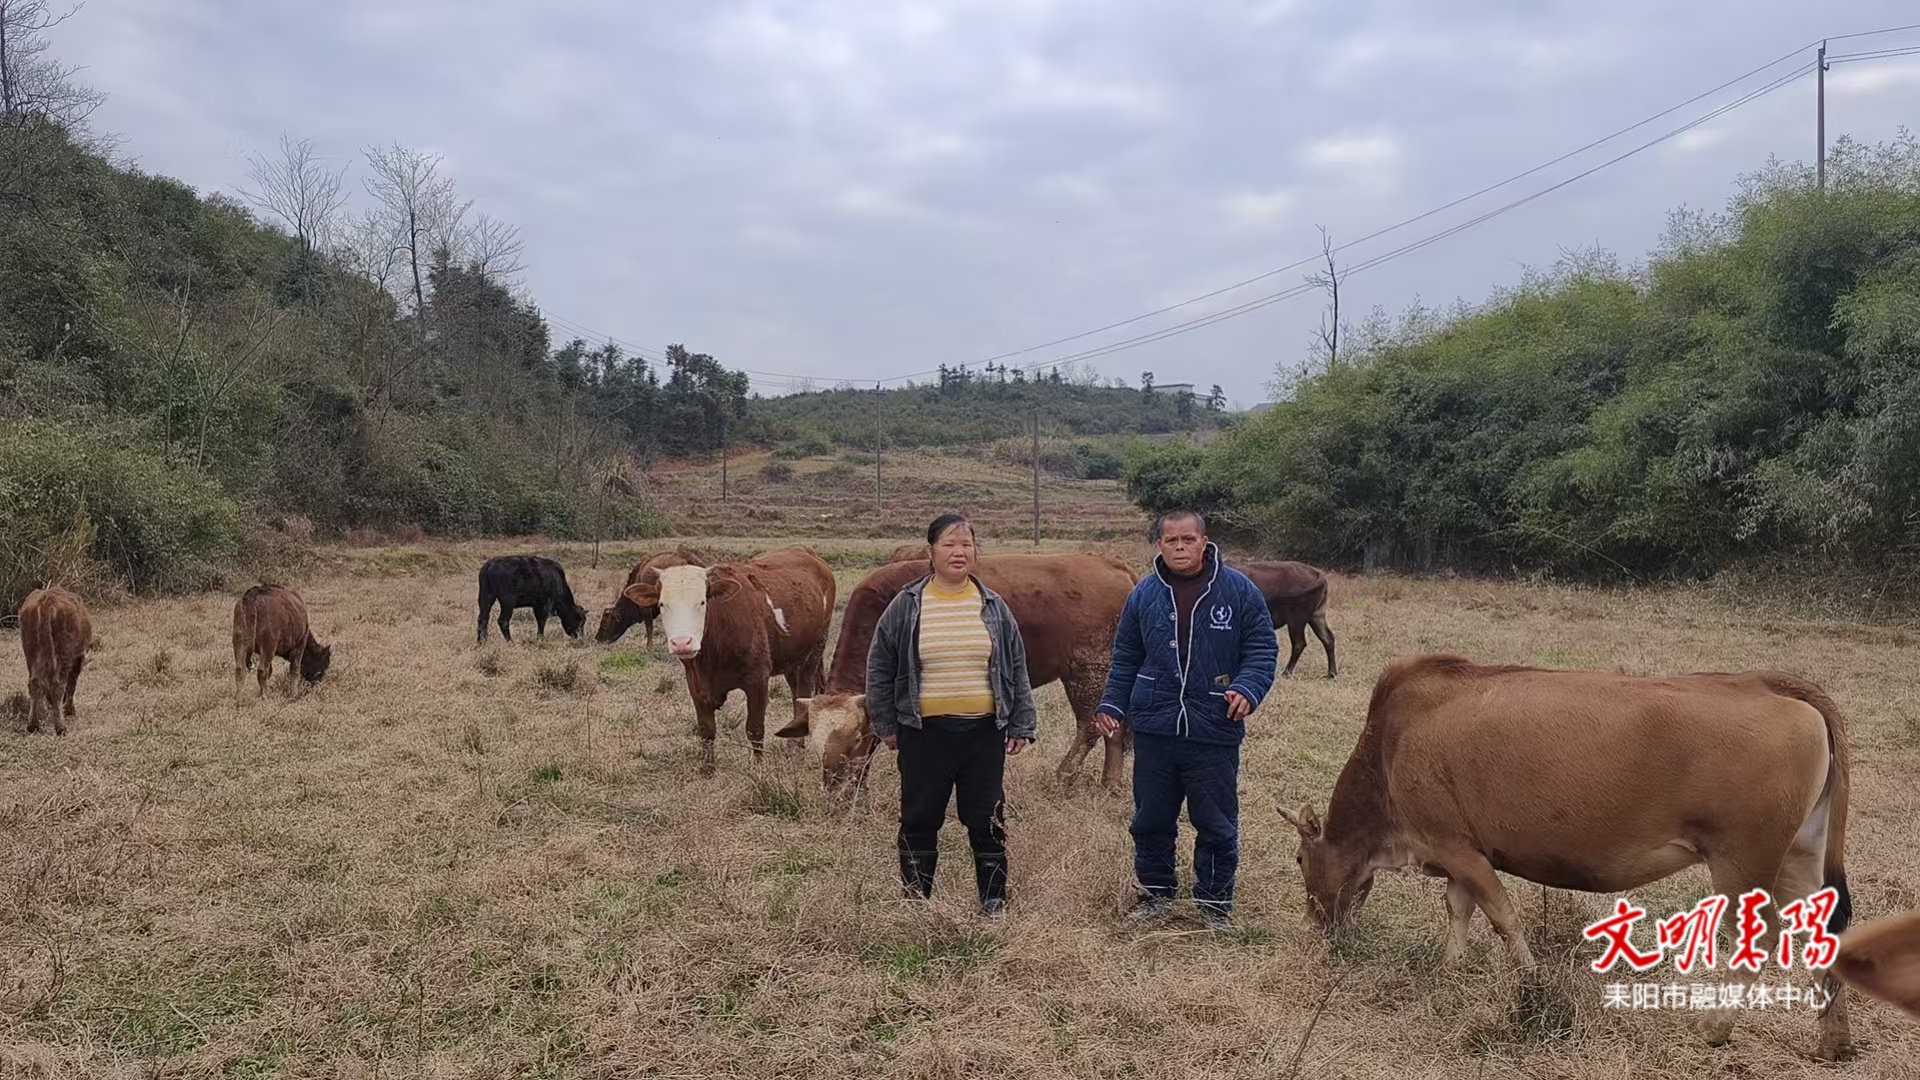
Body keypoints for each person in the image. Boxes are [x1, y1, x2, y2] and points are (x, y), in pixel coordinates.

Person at [1093, 509, 1278, 928]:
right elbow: (1126, 657)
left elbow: (1262, 650)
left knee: (1215, 821)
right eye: (1171, 540)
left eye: (1188, 540)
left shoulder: (1237, 591)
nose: (1180, 547)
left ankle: (1214, 904)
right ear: (1159, 545)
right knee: (1151, 818)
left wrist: (1247, 688)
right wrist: (1112, 705)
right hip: (1155, 726)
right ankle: (1155, 895)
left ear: (1204, 541)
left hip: (1214, 726)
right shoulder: (1144, 593)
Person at [867, 513, 1038, 917]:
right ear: (931, 552)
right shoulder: (906, 606)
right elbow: (879, 667)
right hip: (924, 732)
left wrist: (1021, 722)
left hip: (983, 734)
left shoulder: (993, 606)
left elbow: (1016, 666)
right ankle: (916, 901)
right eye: (949, 544)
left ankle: (993, 901)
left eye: (966, 545)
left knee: (987, 817)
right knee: (920, 815)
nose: (959, 552)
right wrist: (886, 725)